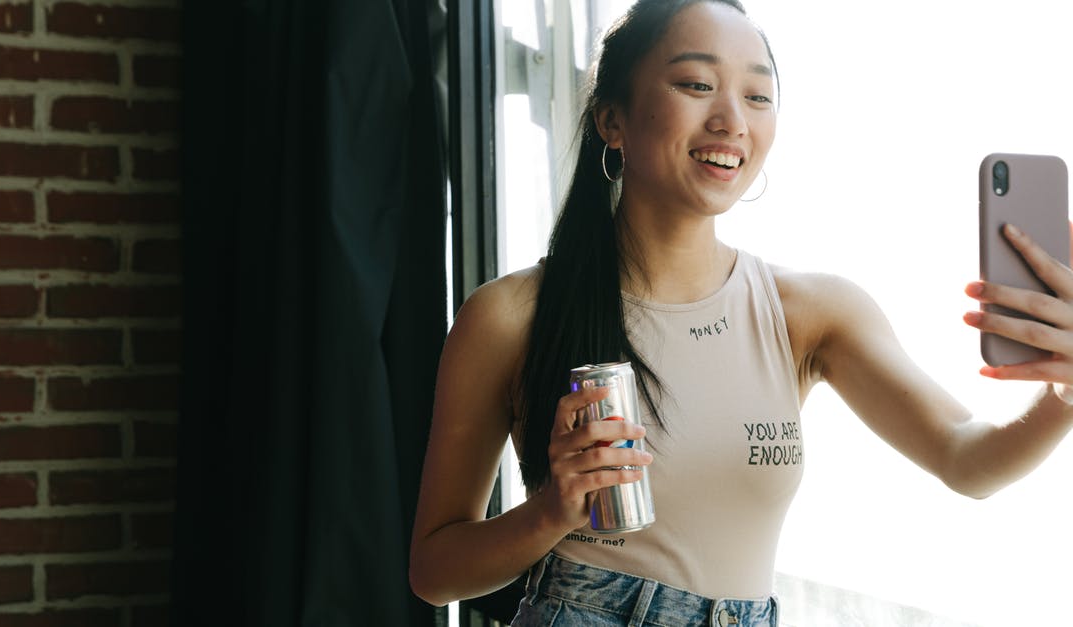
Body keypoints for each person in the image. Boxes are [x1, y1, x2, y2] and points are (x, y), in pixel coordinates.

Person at [408, 1, 1073, 625]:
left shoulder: (811, 311)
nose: (733, 119)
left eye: (757, 95)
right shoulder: (507, 315)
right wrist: (551, 512)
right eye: (697, 85)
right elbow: (434, 571)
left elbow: (967, 460)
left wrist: (1062, 395)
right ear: (613, 118)